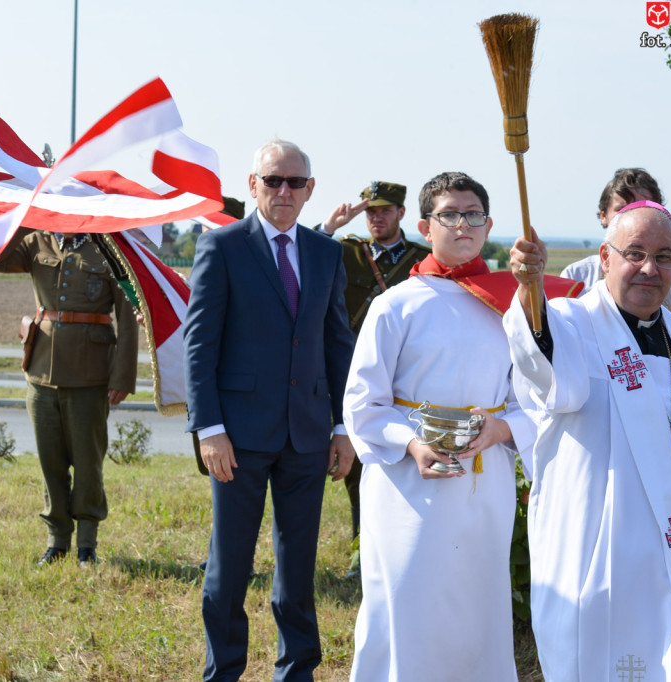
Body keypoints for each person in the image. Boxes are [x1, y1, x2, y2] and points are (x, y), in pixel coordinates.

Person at [505, 201, 671, 680]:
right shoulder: (570, 322)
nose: (650, 268)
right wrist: (530, 291)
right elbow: (548, 374)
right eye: (635, 253)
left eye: (665, 256)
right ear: (605, 258)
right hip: (596, 545)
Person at [344, 172, 538, 681]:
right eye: (450, 215)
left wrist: (500, 432)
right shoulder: (396, 305)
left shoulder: (510, 308)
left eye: (473, 214)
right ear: (426, 226)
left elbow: (533, 400)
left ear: (489, 224)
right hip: (408, 485)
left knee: (477, 600)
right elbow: (364, 400)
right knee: (407, 596)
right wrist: (410, 444)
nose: (463, 224)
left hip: (483, 481)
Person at [183, 138, 355, 681]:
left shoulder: (327, 253)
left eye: (295, 182)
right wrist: (209, 429)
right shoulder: (223, 247)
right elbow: (199, 345)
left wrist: (342, 426)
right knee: (230, 566)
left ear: (310, 190)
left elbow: (336, 344)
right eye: (273, 180)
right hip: (238, 436)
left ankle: (296, 670)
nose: (284, 191)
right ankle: (224, 670)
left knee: (298, 570)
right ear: (251, 185)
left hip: (307, 434)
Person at [0, 228, 139, 567]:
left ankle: (87, 544)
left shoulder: (109, 245)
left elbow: (127, 314)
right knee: (50, 462)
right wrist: (28, 218)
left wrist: (122, 376)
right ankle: (57, 541)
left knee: (89, 463)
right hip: (41, 372)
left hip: (91, 374)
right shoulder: (35, 241)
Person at [317, 180, 431, 547]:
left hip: (405, 369)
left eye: (384, 210)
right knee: (357, 451)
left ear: (401, 213)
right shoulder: (347, 250)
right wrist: (330, 227)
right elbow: (306, 255)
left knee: (403, 454)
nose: (376, 218)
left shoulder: (419, 257)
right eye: (370, 212)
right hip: (354, 365)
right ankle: (361, 545)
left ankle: (399, 541)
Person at [561, 168, 671, 329]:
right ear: (603, 215)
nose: (633, 215)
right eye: (622, 209)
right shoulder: (575, 275)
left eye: (642, 208)